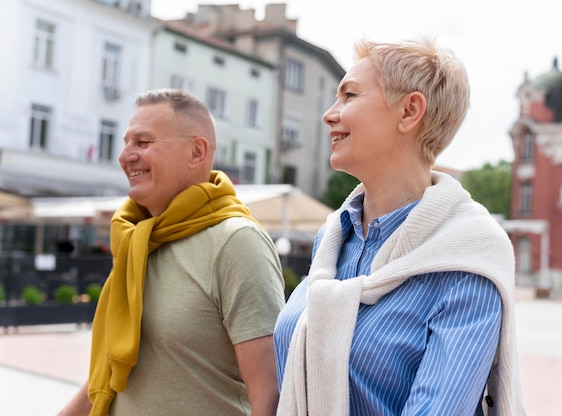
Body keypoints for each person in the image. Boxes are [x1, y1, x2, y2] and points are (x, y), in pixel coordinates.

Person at [273, 38, 526, 416]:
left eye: (349, 95)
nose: (329, 114)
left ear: (409, 111)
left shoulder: (467, 257)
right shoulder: (333, 238)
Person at [58, 89, 285, 416]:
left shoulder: (236, 241)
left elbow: (271, 395)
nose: (125, 156)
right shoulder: (137, 241)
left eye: (143, 142)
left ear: (196, 152)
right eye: (126, 142)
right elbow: (109, 377)